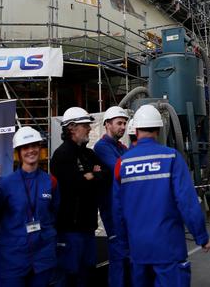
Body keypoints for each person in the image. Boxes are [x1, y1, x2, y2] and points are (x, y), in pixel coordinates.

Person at [113, 105, 210, 287]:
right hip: (169, 248)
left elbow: (117, 209)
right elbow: (187, 202)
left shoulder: (123, 163)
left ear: (135, 129)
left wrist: (124, 244)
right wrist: (201, 237)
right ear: (159, 129)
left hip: (138, 249)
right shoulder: (171, 158)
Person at [0, 126, 60, 287]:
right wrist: (13, 237)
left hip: (43, 257)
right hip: (13, 258)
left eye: (34, 145)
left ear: (39, 147)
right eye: (26, 147)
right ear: (18, 152)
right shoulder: (7, 185)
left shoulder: (50, 181)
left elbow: (55, 212)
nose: (31, 150)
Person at [51, 107, 108, 287]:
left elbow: (104, 174)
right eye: (85, 126)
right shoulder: (61, 155)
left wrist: (91, 175)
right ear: (72, 127)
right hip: (69, 230)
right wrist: (91, 175)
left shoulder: (89, 154)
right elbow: (74, 185)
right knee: (68, 275)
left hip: (87, 227)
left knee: (86, 272)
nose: (90, 129)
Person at [93, 106, 131, 287]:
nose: (123, 127)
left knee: (127, 251)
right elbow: (123, 169)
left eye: (124, 123)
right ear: (107, 124)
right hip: (111, 208)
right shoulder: (101, 147)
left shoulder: (122, 146)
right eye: (119, 123)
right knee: (118, 252)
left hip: (125, 207)